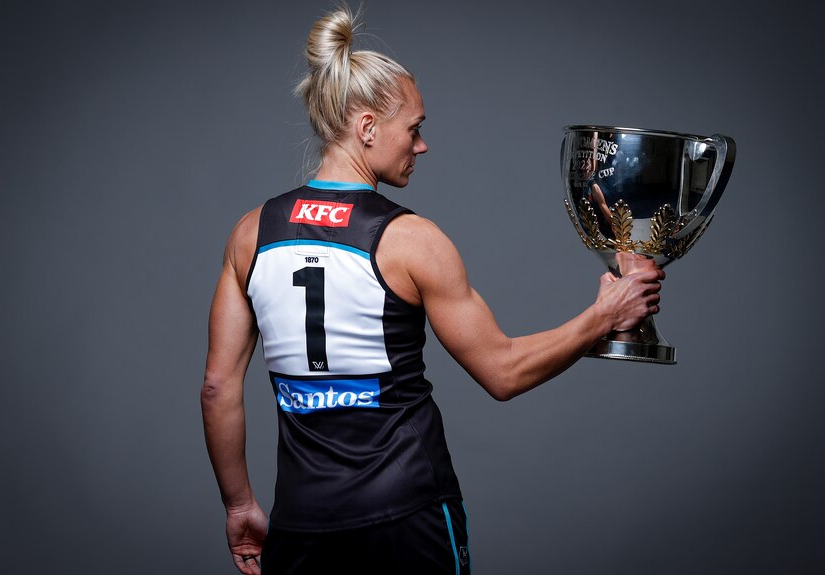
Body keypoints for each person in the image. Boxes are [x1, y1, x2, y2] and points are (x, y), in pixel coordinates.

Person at [201, 5, 664, 575]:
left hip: (303, 524)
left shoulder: (251, 233)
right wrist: (605, 313)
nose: (422, 146)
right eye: (414, 129)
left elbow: (219, 387)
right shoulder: (410, 239)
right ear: (368, 128)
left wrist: (239, 503)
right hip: (408, 517)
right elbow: (503, 372)